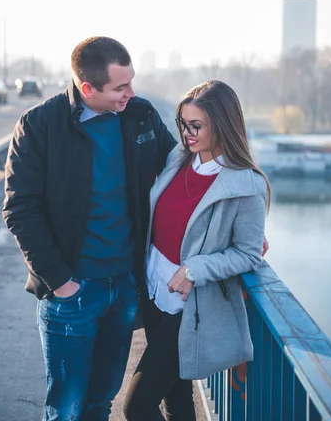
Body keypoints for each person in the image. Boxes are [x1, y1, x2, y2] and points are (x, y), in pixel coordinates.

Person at [2, 36, 176, 421]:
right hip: (71, 292)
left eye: (131, 81)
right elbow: (19, 209)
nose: (130, 92)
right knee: (66, 408)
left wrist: (237, 228)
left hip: (124, 287)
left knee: (101, 402)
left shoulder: (140, 115)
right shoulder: (39, 125)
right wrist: (61, 282)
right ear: (87, 89)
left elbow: (181, 173)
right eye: (120, 86)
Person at [124, 80, 271, 421]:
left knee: (137, 406)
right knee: (177, 397)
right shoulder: (178, 159)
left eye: (196, 126)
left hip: (191, 308)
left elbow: (248, 254)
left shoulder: (245, 186)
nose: (187, 134)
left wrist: (194, 269)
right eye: (183, 124)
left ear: (222, 125)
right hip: (156, 293)